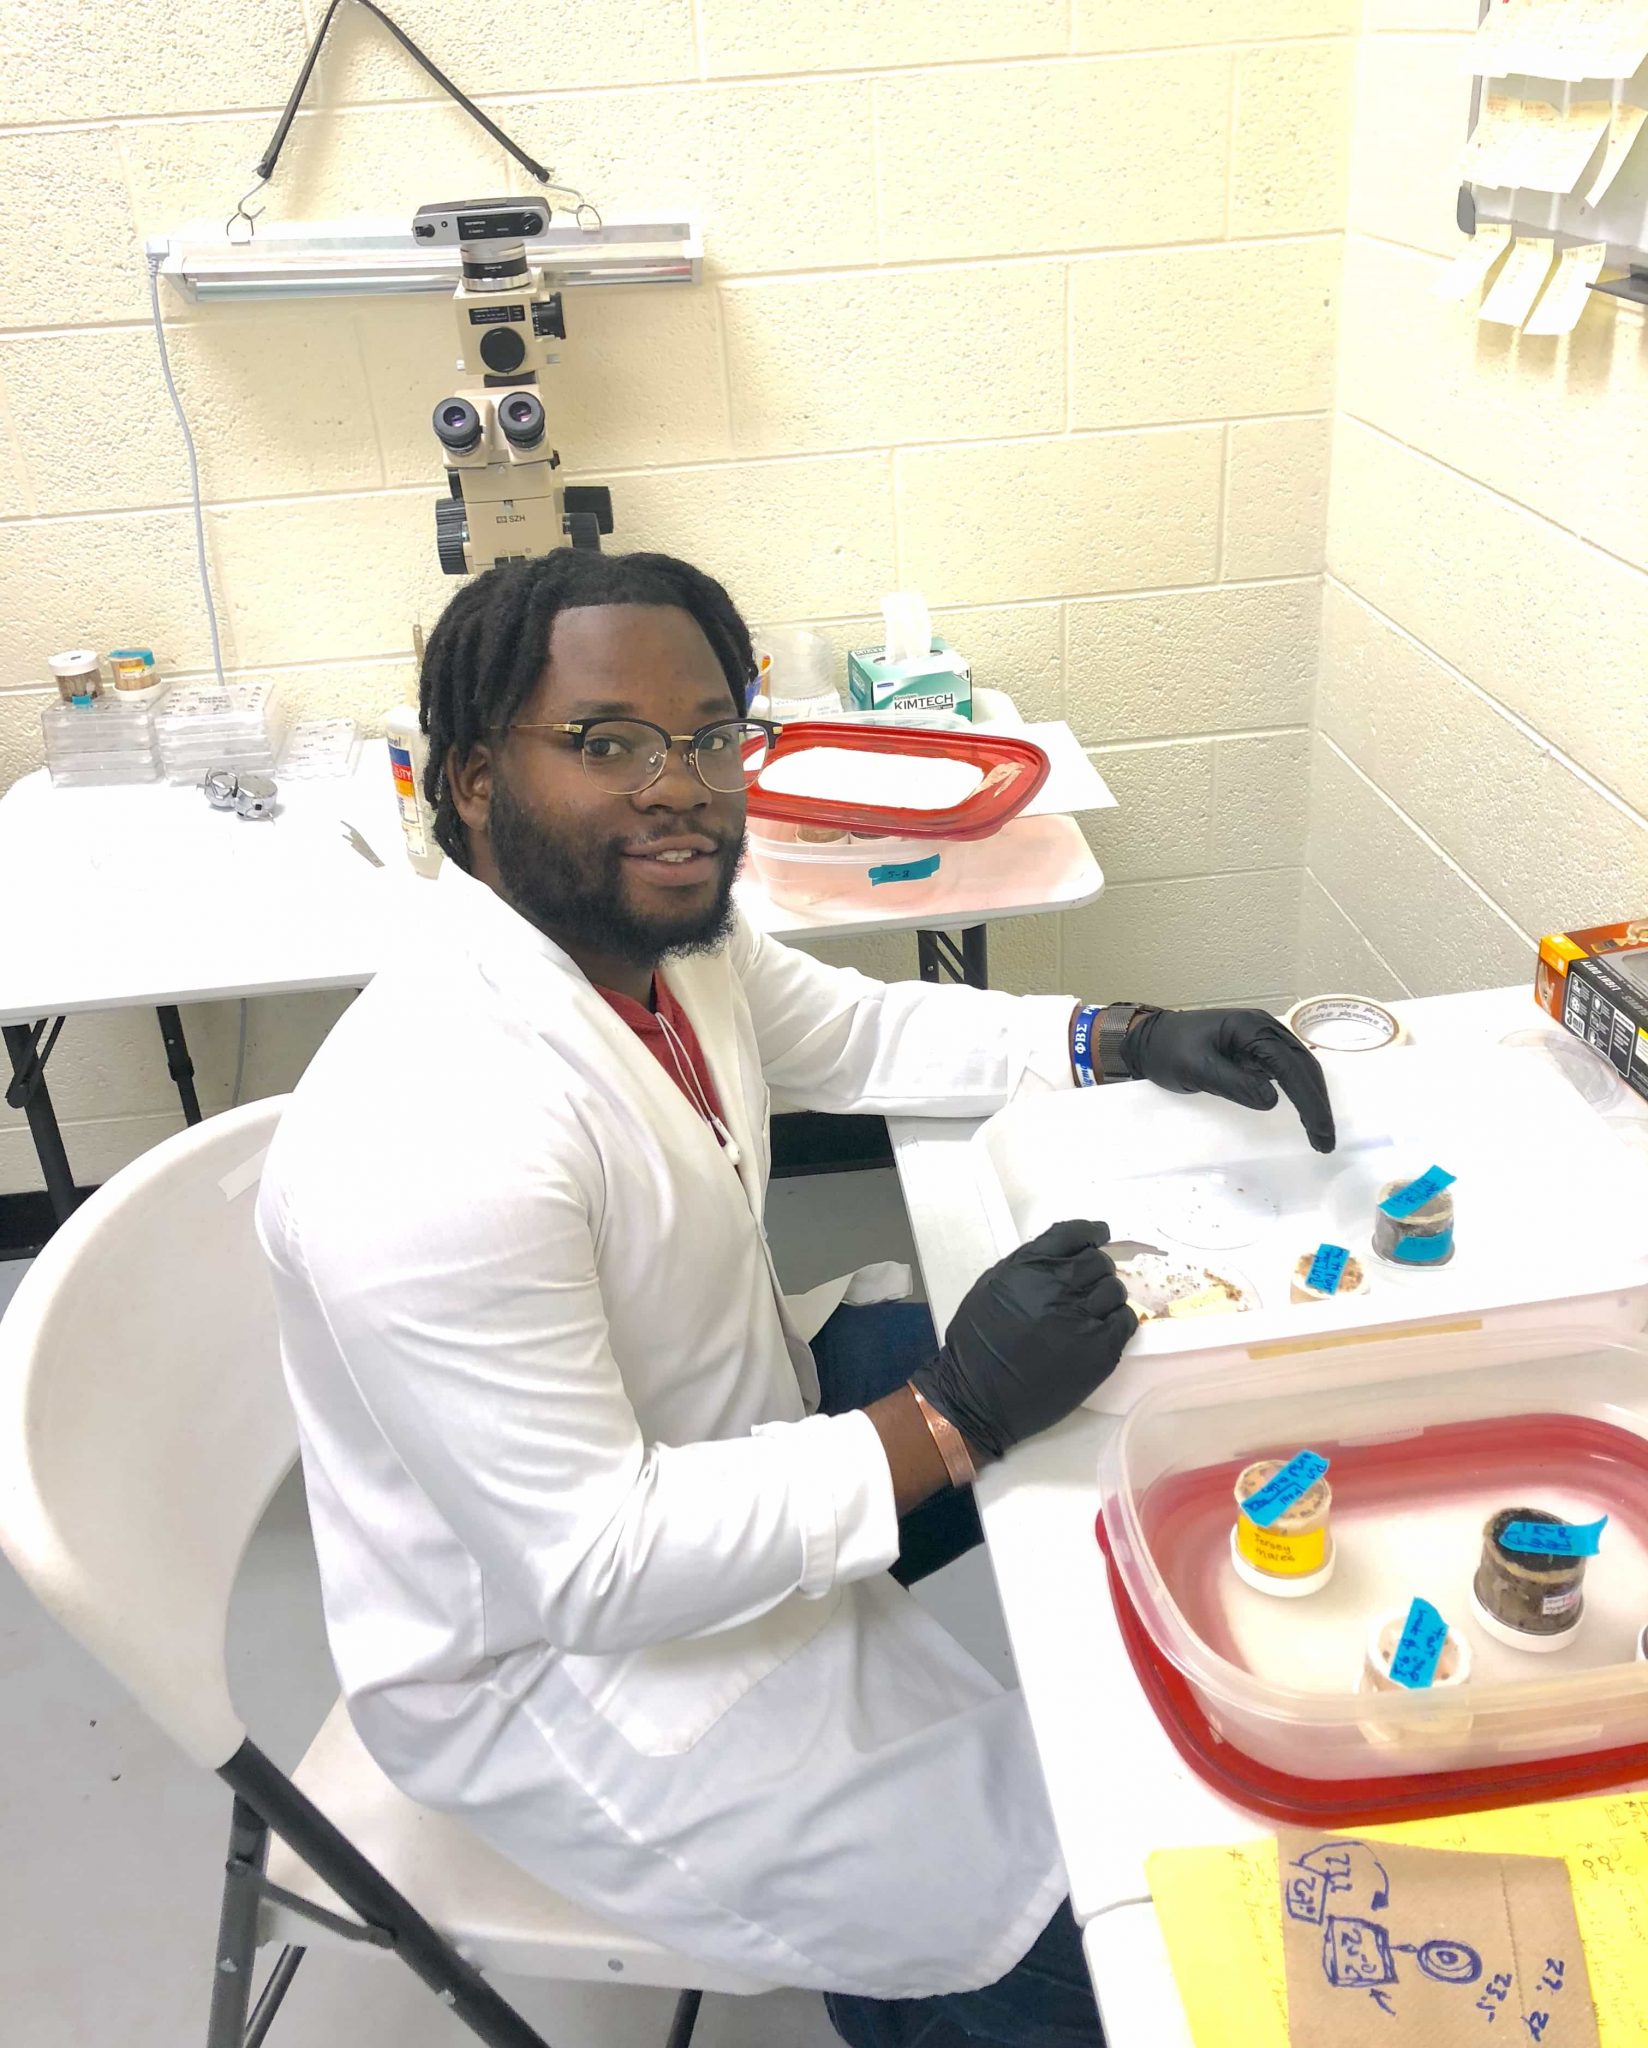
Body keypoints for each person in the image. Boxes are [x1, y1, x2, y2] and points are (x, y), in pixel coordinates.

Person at [257, 548, 1334, 2047]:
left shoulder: (650, 945)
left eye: (708, 734)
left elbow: (867, 1034)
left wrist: (1124, 1033)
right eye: (606, 740)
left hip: (719, 1426)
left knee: (1143, 1353)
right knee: (1079, 1921)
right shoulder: (438, 1133)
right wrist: (949, 1416)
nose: (679, 785)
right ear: (474, 782)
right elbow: (596, 1564)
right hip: (561, 1664)